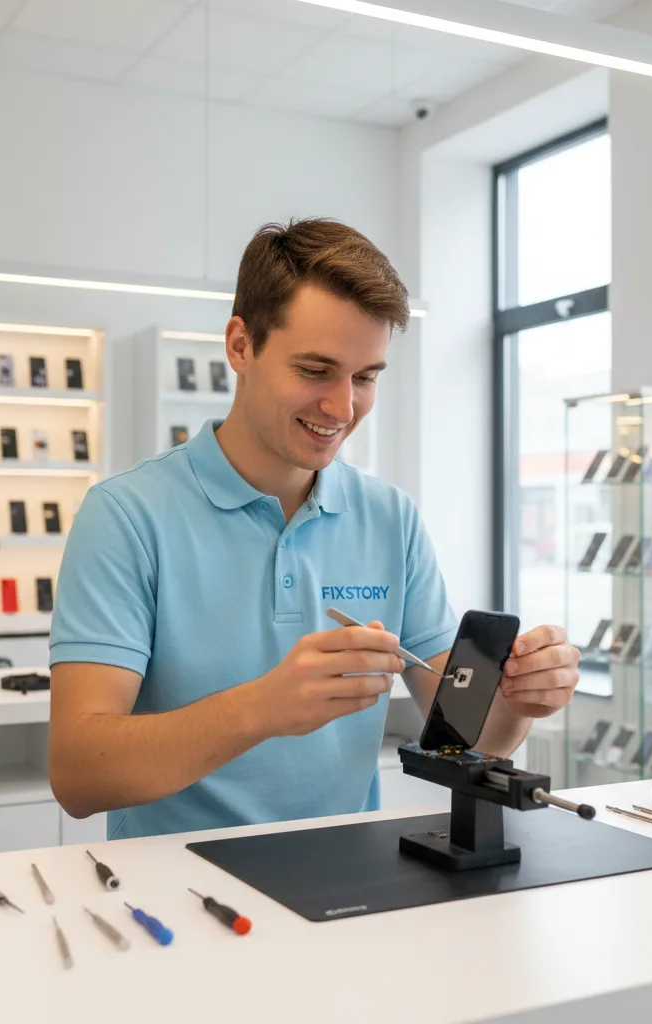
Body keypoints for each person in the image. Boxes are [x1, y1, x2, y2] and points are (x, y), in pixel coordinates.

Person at [48, 218, 580, 840]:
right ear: (241, 345)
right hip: (180, 899)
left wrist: (518, 702)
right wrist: (261, 708)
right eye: (315, 370)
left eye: (365, 376)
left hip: (348, 880)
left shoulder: (391, 517)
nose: (342, 407)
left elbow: (464, 736)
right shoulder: (126, 516)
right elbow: (79, 775)